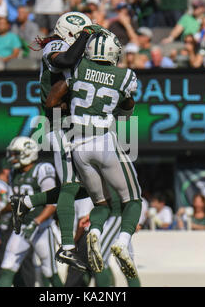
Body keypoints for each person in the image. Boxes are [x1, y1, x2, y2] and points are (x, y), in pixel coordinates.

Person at [10, 13, 105, 273]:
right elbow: (65, 59)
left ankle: (27, 202)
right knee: (71, 185)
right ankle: (66, 247)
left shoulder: (75, 50)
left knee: (90, 186)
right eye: (80, 34)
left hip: (73, 123)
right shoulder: (56, 45)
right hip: (56, 122)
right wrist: (86, 35)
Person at [45, 31, 142, 280]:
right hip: (103, 139)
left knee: (101, 204)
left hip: (78, 145)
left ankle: (95, 234)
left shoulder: (78, 67)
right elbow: (127, 107)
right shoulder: (126, 76)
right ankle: (122, 241)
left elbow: (51, 100)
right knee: (133, 199)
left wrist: (66, 105)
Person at [0, 137, 63, 287]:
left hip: (41, 228)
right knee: (7, 268)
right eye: (12, 154)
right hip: (21, 226)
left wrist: (36, 222)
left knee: (50, 272)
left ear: (28, 153)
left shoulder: (42, 169)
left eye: (16, 154)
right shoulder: (14, 173)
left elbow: (52, 203)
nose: (12, 158)